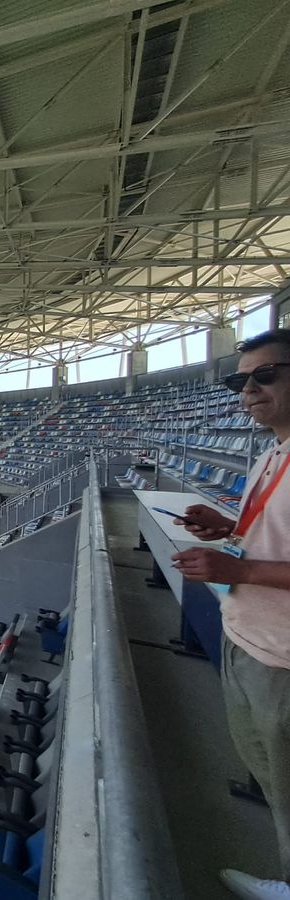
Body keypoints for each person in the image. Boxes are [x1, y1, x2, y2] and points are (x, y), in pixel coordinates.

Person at [171, 329, 290, 900]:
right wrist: (228, 530)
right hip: (248, 638)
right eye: (238, 380)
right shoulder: (273, 449)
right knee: (271, 777)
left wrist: (238, 572)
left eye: (265, 375)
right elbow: (272, 539)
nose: (248, 389)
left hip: (283, 662)